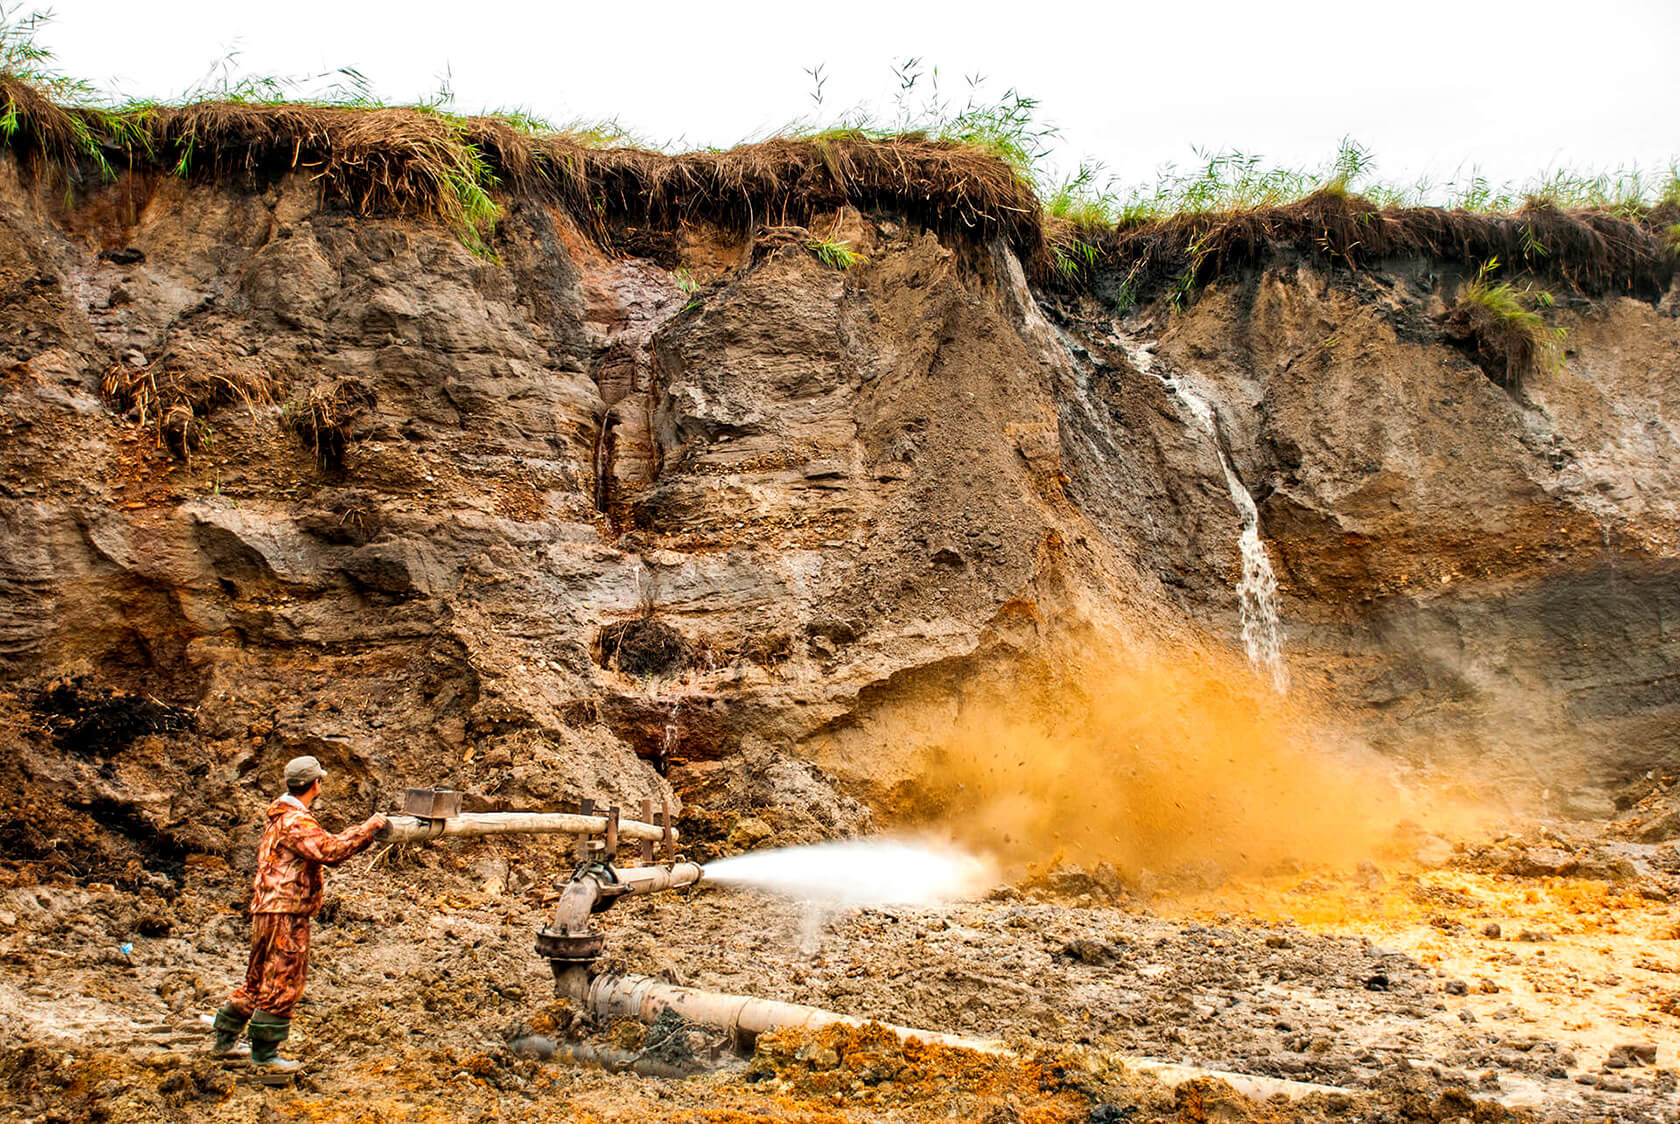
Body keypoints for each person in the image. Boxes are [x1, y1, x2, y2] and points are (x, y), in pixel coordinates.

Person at [209, 755, 387, 1073]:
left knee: (256, 979)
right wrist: (368, 829)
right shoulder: (297, 821)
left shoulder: (279, 817)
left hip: (266, 907)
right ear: (315, 784)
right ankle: (264, 1054)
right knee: (283, 979)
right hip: (287, 911)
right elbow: (330, 850)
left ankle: (224, 1039)